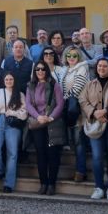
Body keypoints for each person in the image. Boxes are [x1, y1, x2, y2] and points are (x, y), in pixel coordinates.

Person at [79, 58, 108, 201]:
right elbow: (82, 100)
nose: (101, 68)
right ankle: (98, 187)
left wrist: (106, 113)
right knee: (97, 157)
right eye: (99, 66)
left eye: (105, 66)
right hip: (95, 125)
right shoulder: (90, 84)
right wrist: (94, 113)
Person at [26, 60, 65, 195]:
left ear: (47, 70)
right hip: (38, 123)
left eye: (43, 69)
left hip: (53, 123)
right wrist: (38, 117)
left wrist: (51, 117)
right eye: (37, 69)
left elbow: (60, 104)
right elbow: (28, 105)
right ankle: (43, 183)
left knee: (53, 155)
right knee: (40, 154)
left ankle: (51, 184)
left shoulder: (55, 85)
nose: (40, 71)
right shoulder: (31, 86)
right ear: (34, 71)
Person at [0, 72, 27, 193]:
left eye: (11, 79)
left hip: (13, 124)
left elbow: (24, 114)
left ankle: (9, 184)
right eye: (7, 79)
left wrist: (12, 113)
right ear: (4, 81)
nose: (9, 81)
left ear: (15, 80)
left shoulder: (20, 94)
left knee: (12, 154)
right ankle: (0, 170)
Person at [62, 45, 90, 183]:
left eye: (74, 55)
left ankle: (81, 171)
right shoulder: (67, 70)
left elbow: (77, 88)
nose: (71, 58)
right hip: (70, 111)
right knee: (74, 142)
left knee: (79, 142)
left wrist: (63, 98)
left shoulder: (82, 68)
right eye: (69, 55)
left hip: (79, 111)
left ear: (78, 56)